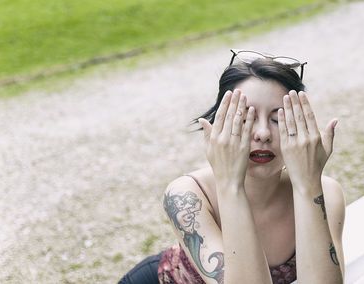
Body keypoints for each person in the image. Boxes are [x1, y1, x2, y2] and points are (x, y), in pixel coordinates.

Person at [118, 49, 345, 284]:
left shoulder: (326, 193)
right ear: (219, 127)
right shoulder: (186, 194)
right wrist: (229, 184)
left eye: (278, 119)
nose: (263, 134)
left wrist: (307, 185)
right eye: (245, 119)